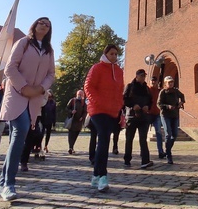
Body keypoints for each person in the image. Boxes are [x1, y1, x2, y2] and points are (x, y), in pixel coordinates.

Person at [0, 17, 55, 201]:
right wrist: (23, 87)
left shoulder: (49, 50)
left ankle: (1, 182)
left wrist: (41, 88)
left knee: (18, 137)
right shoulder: (23, 43)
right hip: (16, 94)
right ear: (34, 25)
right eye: (41, 22)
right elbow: (10, 68)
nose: (44, 25)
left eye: (47, 24)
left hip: (35, 97)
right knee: (20, 131)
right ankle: (8, 184)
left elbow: (51, 73)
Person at [84, 44, 125, 192]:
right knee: (104, 138)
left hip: (112, 111)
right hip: (98, 110)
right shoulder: (97, 68)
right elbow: (88, 86)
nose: (114, 56)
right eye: (111, 53)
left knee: (104, 139)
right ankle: (102, 176)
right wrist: (97, 102)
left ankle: (95, 175)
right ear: (105, 54)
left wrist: (119, 105)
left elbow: (120, 90)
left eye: (116, 54)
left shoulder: (119, 71)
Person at [122, 68, 153, 169]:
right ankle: (127, 160)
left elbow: (150, 101)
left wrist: (147, 106)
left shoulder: (146, 88)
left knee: (143, 139)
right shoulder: (130, 87)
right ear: (137, 76)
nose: (143, 78)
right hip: (132, 116)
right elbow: (124, 99)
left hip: (143, 117)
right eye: (141, 76)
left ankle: (145, 160)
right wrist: (132, 105)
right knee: (129, 139)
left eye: (144, 76)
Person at [157, 76, 185, 165]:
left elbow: (182, 96)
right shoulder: (163, 92)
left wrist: (181, 102)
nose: (171, 83)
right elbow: (158, 104)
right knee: (168, 134)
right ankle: (169, 155)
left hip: (174, 115)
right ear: (165, 83)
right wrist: (167, 106)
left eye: (172, 82)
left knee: (175, 134)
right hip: (165, 115)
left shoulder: (176, 91)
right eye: (169, 82)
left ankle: (167, 149)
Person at [148, 75, 165, 159]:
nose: (153, 82)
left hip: (157, 114)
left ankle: (160, 151)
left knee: (158, 133)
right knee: (144, 133)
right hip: (148, 114)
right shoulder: (147, 90)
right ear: (150, 82)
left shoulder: (159, 91)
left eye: (155, 81)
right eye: (152, 81)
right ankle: (143, 151)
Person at [65, 89, 87, 154]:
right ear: (76, 94)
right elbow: (67, 108)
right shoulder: (72, 100)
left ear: (83, 95)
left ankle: (72, 147)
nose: (79, 96)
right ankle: (70, 147)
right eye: (78, 94)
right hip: (72, 121)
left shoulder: (84, 103)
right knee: (71, 134)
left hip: (79, 122)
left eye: (81, 94)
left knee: (76, 135)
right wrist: (71, 112)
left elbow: (85, 112)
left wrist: (82, 117)